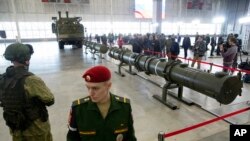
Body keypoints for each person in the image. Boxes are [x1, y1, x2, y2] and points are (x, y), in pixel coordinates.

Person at [0, 43, 54, 141]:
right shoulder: (31, 80)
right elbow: (50, 100)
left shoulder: (3, 78)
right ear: (27, 58)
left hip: (15, 128)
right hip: (35, 129)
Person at [67, 65, 137, 141]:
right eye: (88, 87)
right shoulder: (78, 109)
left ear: (109, 86)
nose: (90, 93)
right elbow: (72, 138)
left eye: (95, 88)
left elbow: (130, 138)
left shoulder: (124, 107)